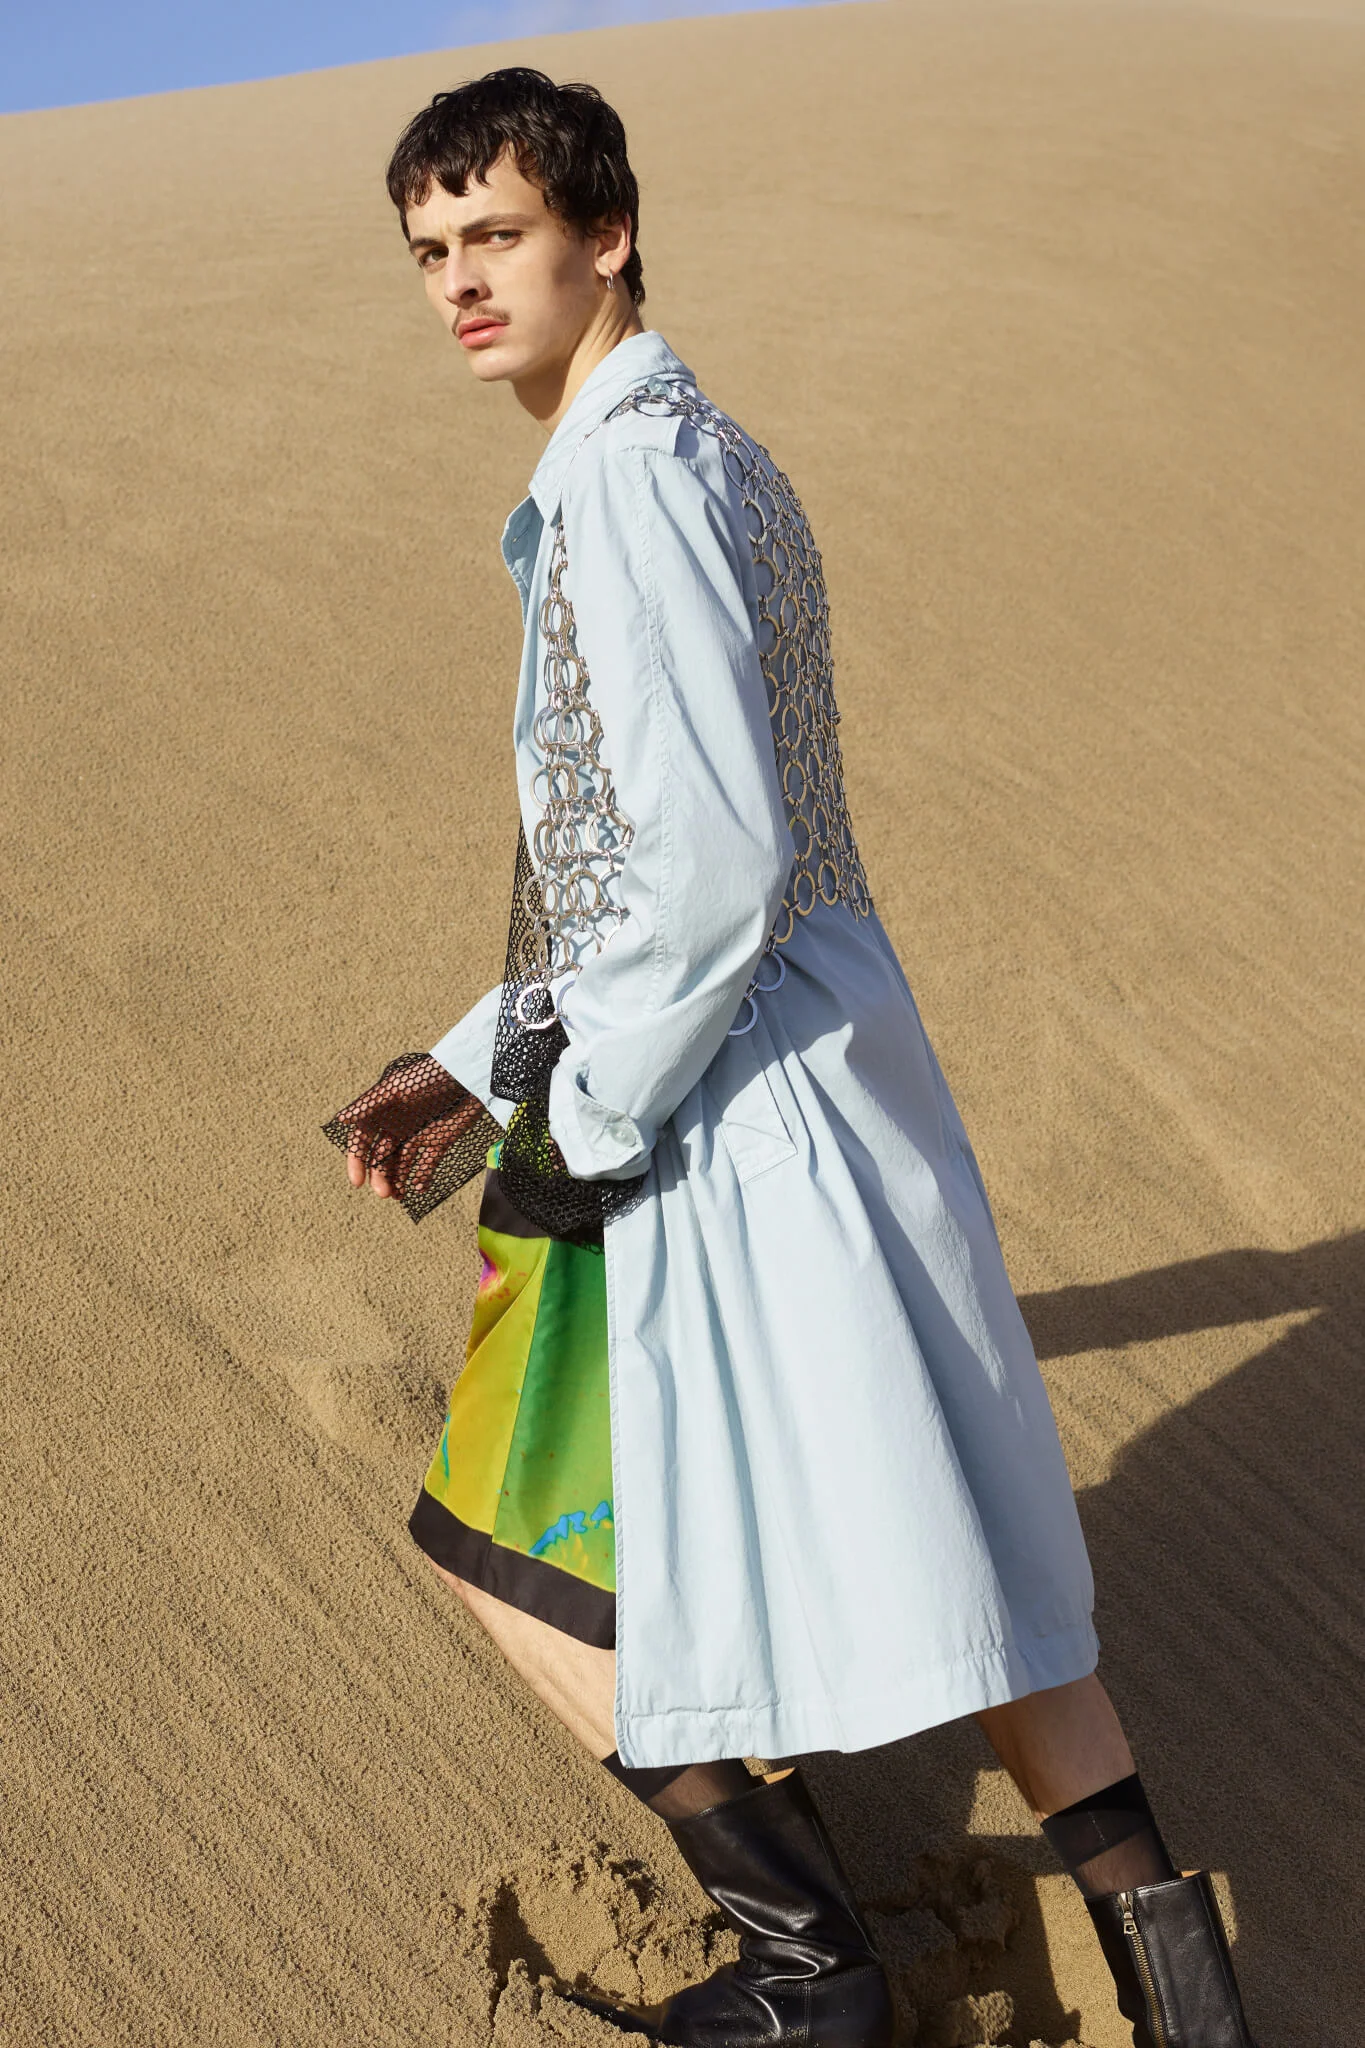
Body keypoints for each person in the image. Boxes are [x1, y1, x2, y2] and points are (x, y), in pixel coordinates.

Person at [326, 66, 1258, 2048]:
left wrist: (571, 1120)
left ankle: (810, 1973)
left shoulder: (626, 482)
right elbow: (658, 852)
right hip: (820, 1060)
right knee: (977, 1566)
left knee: (504, 1543)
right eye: (429, 251)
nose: (461, 283)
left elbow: (711, 865)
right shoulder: (708, 451)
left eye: (498, 235)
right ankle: (1194, 2008)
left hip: (712, 1104)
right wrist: (473, 1052)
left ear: (607, 234)